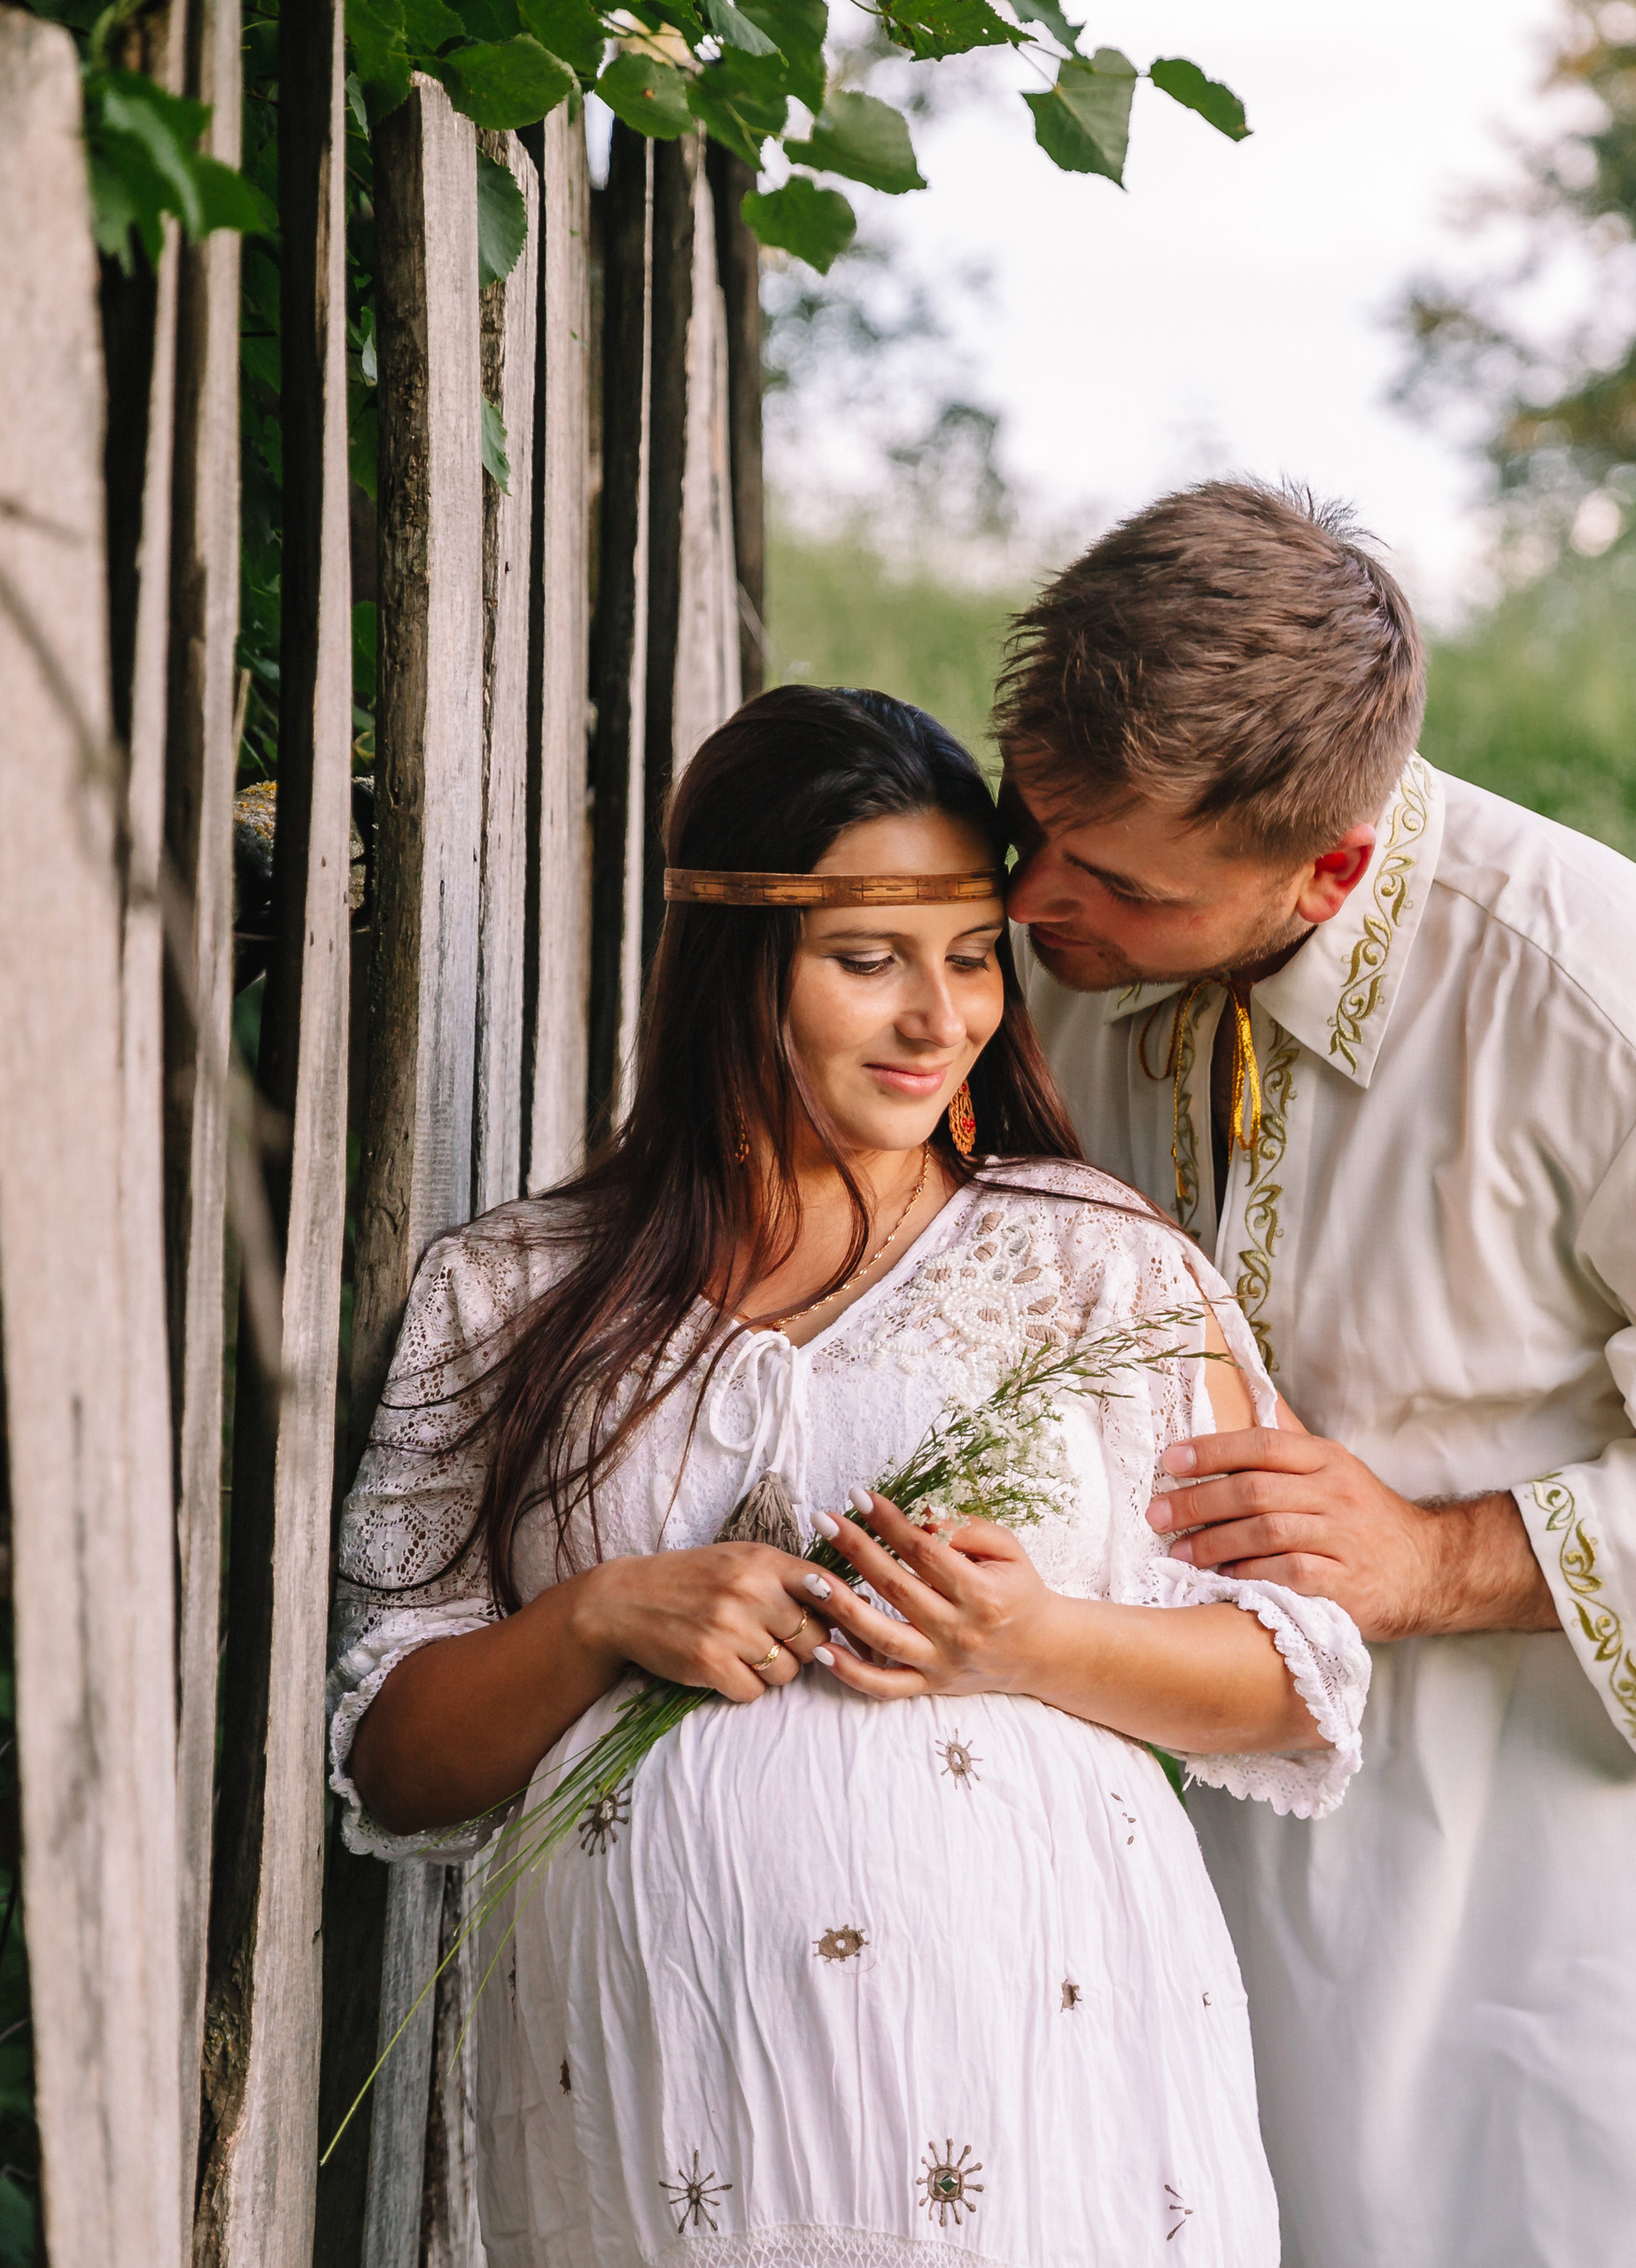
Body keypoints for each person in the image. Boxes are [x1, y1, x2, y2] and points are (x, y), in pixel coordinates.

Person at [1003, 482, 1636, 2267]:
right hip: (1220, 1862)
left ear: (1330, 867)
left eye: (1122, 879)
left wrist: (1429, 1558)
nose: (1041, 897)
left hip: (1588, 1904)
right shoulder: (1051, 950)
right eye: (1030, 821)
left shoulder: (1589, 994)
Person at [326, 686, 1370, 2268]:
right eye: (868, 961)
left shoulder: (1097, 1270)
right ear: (733, 964)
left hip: (1045, 2108)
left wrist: (1031, 1643)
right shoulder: (512, 1294)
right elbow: (396, 1759)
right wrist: (599, 1618)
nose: (939, 1018)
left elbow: (1303, 1676)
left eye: (968, 958)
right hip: (655, 2117)